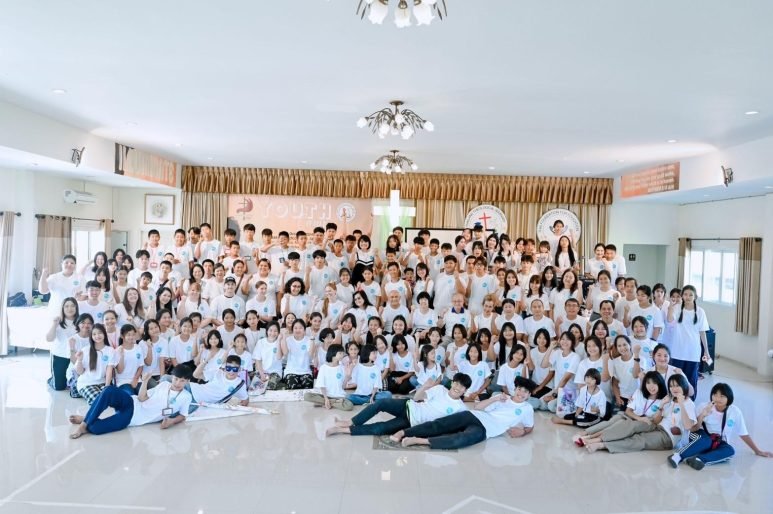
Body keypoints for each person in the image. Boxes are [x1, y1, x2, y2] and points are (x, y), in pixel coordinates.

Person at [391, 377, 537, 450]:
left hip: (485, 430)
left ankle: (418, 440)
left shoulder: (527, 408)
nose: (521, 393)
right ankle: (403, 432)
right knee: (441, 424)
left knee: (459, 440)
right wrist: (496, 399)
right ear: (514, 389)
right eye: (519, 389)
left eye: (525, 392)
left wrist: (523, 432)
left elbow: (529, 427)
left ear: (529, 395)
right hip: (473, 416)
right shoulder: (502, 397)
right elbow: (478, 407)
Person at [325, 373, 471, 437]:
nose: (457, 388)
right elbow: (417, 398)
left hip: (412, 422)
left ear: (465, 390)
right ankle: (349, 422)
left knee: (380, 428)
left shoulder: (460, 408)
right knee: (381, 403)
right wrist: (425, 386)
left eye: (462, 386)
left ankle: (342, 430)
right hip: (409, 406)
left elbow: (459, 425)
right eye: (456, 383)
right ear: (452, 383)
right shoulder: (440, 389)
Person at [68, 365, 194, 439]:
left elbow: (183, 416)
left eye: (182, 381)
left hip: (132, 418)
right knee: (108, 390)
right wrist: (145, 381)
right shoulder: (164, 384)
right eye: (176, 379)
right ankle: (84, 424)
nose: (177, 383)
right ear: (172, 377)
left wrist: (171, 421)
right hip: (131, 402)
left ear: (187, 381)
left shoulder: (186, 397)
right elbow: (142, 398)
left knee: (95, 429)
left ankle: (89, 418)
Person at [668, 383, 772, 470]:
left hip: (717, 441)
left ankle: (699, 459)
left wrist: (757, 451)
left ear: (729, 397)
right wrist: (703, 415)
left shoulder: (735, 412)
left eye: (722, 396)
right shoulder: (704, 406)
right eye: (715, 395)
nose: (717, 398)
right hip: (700, 436)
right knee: (705, 441)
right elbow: (693, 428)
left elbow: (743, 433)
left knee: (730, 450)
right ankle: (677, 456)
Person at [585, 374, 696, 454]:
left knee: (639, 440)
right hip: (656, 426)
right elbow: (656, 421)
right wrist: (661, 405)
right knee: (631, 426)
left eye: (677, 385)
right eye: (671, 386)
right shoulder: (670, 399)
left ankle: (602, 445)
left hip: (668, 437)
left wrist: (682, 404)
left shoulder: (689, 404)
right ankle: (598, 438)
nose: (674, 389)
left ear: (684, 386)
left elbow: (688, 427)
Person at [575, 370, 668, 447]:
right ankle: (585, 433)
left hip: (644, 422)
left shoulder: (663, 400)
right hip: (631, 416)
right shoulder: (640, 392)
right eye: (648, 383)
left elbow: (655, 421)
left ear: (660, 384)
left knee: (618, 425)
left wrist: (643, 418)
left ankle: (591, 438)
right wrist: (639, 418)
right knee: (612, 421)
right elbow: (628, 411)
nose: (651, 386)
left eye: (654, 383)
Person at [668, 285, 711, 398]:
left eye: (690, 295)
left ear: (695, 297)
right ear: (682, 296)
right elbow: (669, 320)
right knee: (676, 378)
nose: (687, 297)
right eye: (685, 294)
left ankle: (690, 402)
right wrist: (670, 307)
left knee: (691, 378)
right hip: (677, 351)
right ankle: (675, 401)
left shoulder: (700, 312)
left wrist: (706, 351)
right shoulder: (677, 308)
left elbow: (702, 332)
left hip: (693, 352)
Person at [304, 344, 355, 411]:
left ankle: (324, 403)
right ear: (333, 353)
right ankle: (333, 402)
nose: (342, 355)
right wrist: (326, 399)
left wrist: (347, 376)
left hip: (339, 396)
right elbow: (322, 386)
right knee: (306, 396)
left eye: (343, 353)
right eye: (340, 353)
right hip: (325, 395)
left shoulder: (342, 368)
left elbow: (342, 387)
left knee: (349, 406)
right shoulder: (323, 368)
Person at [46, 297, 79, 390]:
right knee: (59, 387)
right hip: (59, 355)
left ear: (76, 308)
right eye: (66, 306)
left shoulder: (80, 321)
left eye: (72, 306)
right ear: (62, 308)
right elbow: (49, 339)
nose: (70, 309)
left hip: (75, 355)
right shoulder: (57, 321)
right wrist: (54, 324)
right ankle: (52, 379)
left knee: (76, 383)